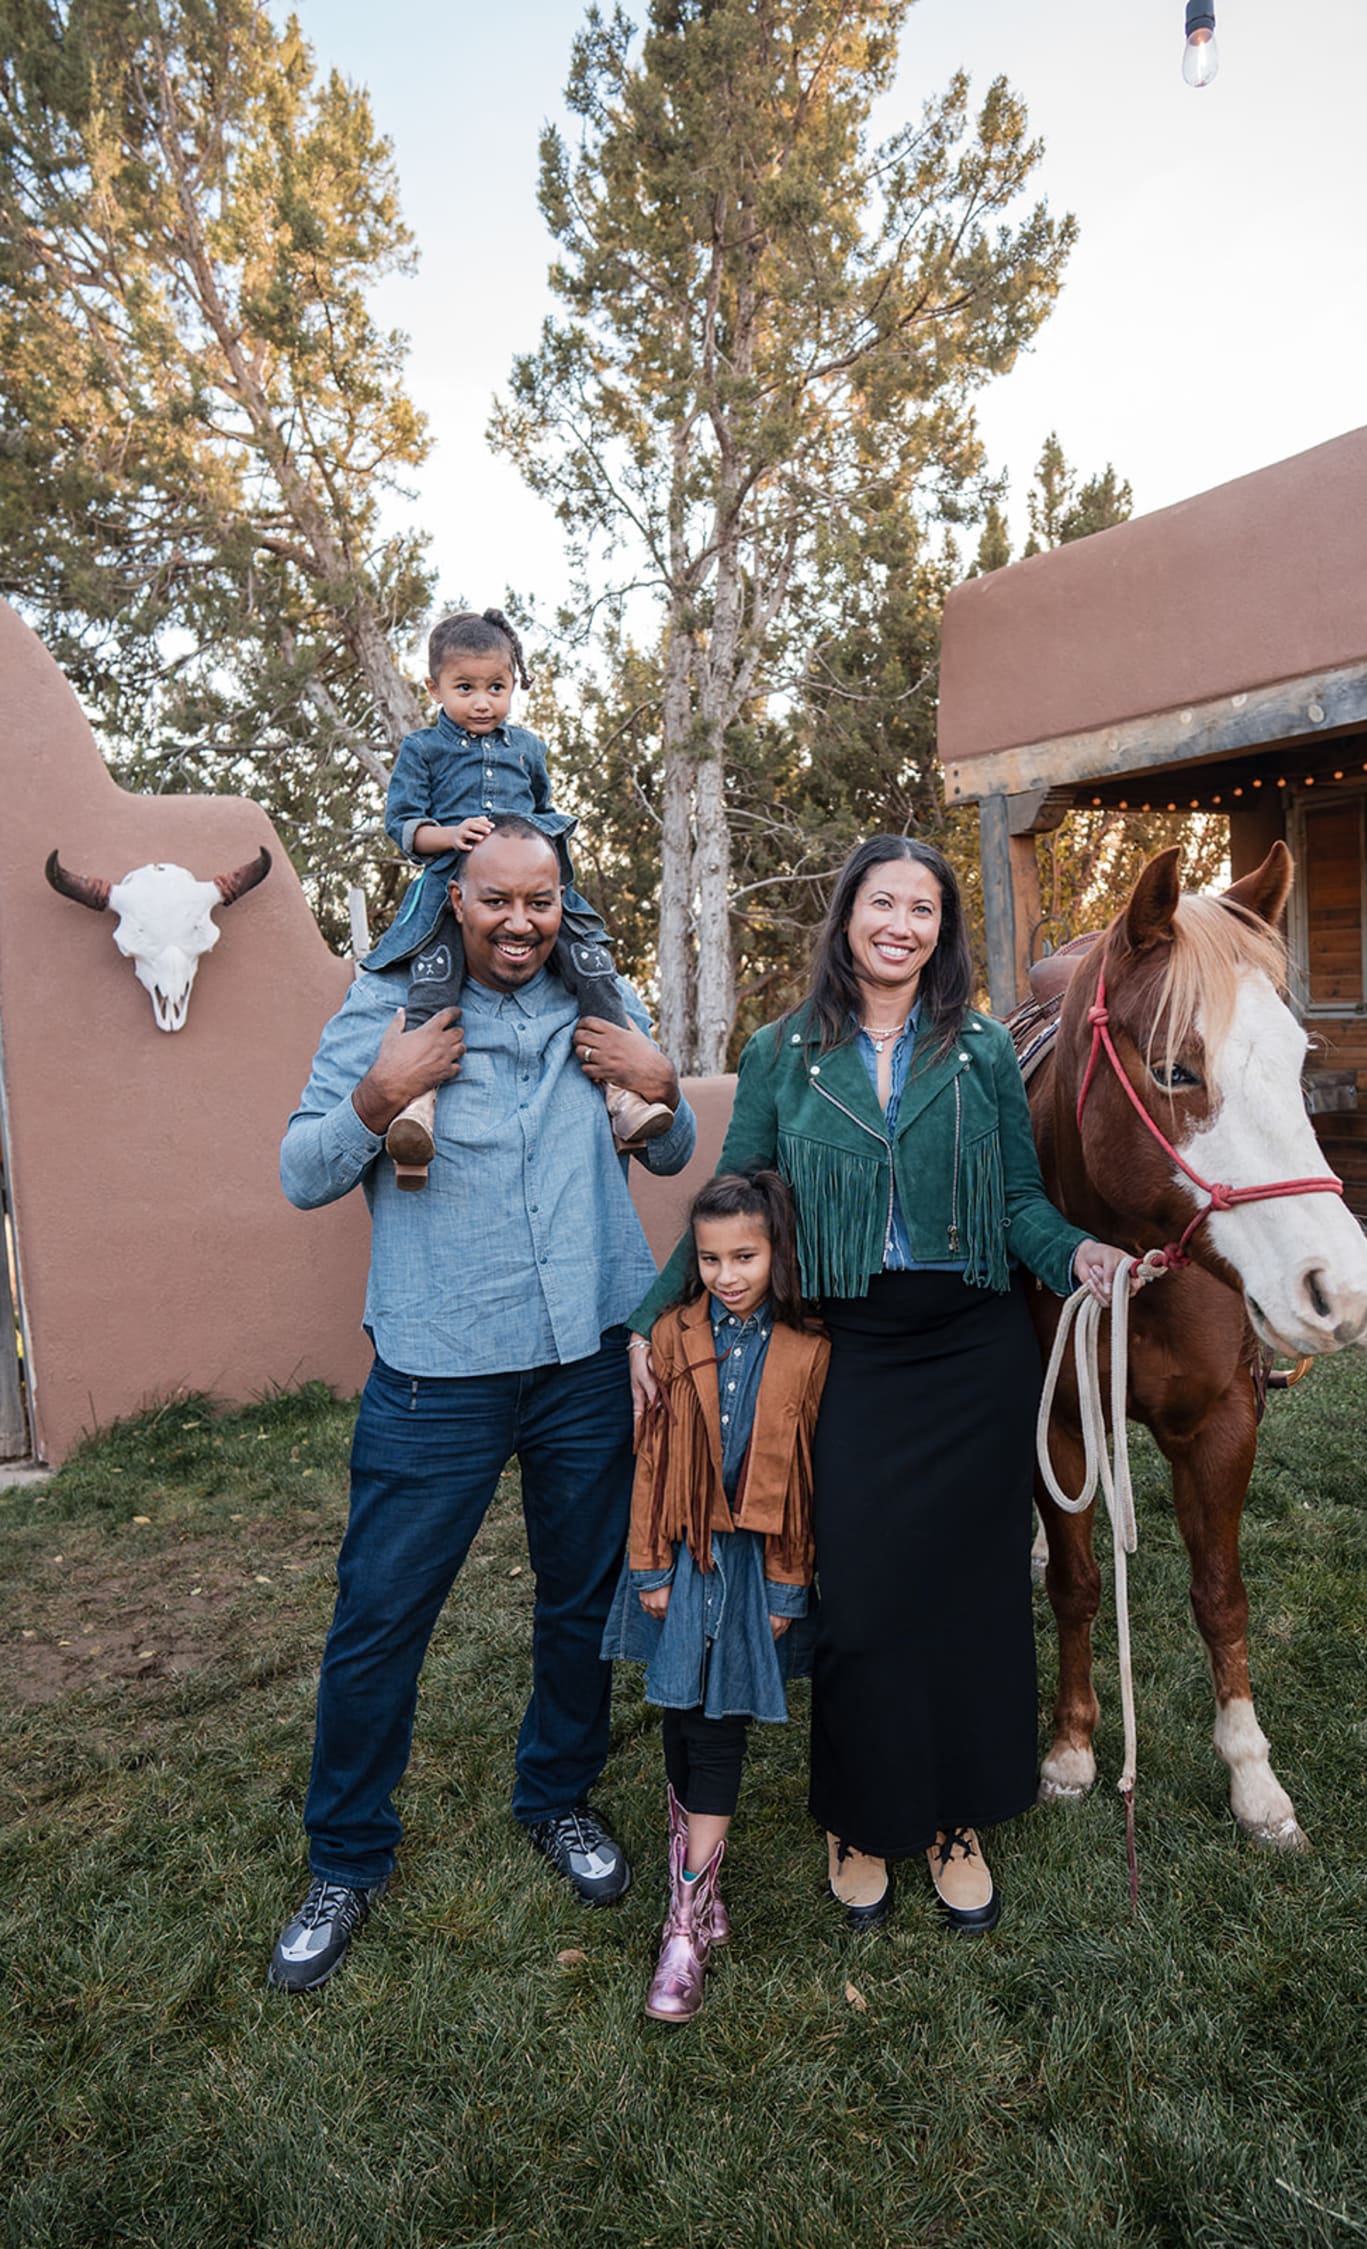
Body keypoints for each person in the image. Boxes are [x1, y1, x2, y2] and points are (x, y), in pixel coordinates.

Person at [628, 836, 1136, 1937]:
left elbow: (1015, 1206)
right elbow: (736, 1196)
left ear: (943, 929)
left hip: (971, 1350)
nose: (902, 922)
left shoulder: (985, 1049)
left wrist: (1079, 1254)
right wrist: (656, 1314)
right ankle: (860, 1820)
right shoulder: (785, 1051)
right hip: (844, 1348)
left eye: (925, 907)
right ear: (848, 915)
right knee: (856, 1596)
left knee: (971, 1591)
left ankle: (956, 1818)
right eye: (882, 901)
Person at [267, 818, 695, 1992]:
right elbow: (303, 1168)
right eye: (497, 900)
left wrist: (662, 1085)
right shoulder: (389, 1004)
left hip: (584, 1360)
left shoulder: (599, 994)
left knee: (581, 1600)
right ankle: (347, 1858)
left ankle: (556, 1794)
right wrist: (379, 1095)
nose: (521, 922)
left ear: (564, 902)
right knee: (380, 1619)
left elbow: (669, 1144)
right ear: (455, 898)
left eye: (542, 901)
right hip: (435, 1366)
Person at [601, 1171, 830, 2024]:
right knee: (676, 1714)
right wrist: (650, 1568)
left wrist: (786, 1582)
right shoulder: (671, 1334)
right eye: (710, 1257)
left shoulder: (807, 1349)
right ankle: (702, 1876)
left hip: (752, 1561)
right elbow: (652, 1461)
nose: (728, 1273)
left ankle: (685, 1922)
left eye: (746, 1255)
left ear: (776, 1251)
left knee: (719, 1723)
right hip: (682, 1552)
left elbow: (801, 1483)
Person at [362, 607, 674, 1188]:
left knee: (591, 966)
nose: (482, 702)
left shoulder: (528, 748)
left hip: (530, 883)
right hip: (450, 883)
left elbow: (543, 819)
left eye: (496, 688)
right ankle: (415, 1109)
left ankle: (624, 1098)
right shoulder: (423, 750)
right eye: (465, 688)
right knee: (433, 977)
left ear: (514, 685)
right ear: (434, 688)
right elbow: (403, 826)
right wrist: (450, 835)